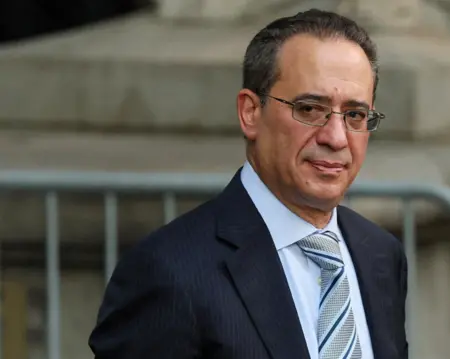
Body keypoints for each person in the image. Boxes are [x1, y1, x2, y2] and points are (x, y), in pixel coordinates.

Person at [89, 8, 408, 359]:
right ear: (250, 113)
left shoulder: (379, 253)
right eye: (309, 109)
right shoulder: (170, 273)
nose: (336, 137)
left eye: (355, 115)